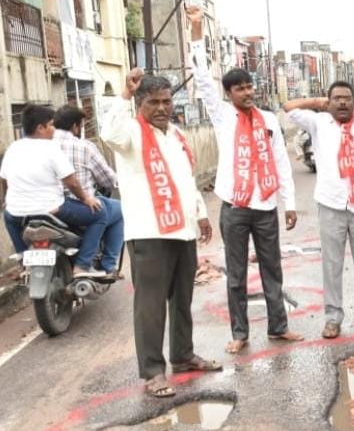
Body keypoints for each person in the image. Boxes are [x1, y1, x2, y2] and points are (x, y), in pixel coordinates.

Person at [186, 7, 302, 354]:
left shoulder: (268, 119)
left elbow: (281, 160)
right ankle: (240, 334)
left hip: (265, 207)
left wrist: (290, 203)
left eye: (250, 86)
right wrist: (195, 31)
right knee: (235, 275)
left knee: (272, 270)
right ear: (229, 93)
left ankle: (278, 327)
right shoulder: (222, 116)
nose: (247, 92)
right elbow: (203, 79)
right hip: (235, 208)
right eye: (240, 88)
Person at [101, 69, 221, 398]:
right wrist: (124, 94)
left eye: (166, 101)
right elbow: (108, 131)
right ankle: (153, 372)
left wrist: (200, 213)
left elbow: (186, 178)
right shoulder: (130, 134)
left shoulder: (177, 135)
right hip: (149, 233)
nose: (161, 108)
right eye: (153, 102)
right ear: (140, 105)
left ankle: (183, 356)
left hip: (183, 231)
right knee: (150, 306)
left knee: (183, 299)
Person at [283, 82, 354, 339]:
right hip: (330, 204)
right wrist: (317, 102)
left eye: (347, 98)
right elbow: (288, 108)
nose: (343, 103)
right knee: (332, 264)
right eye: (337, 98)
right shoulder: (318, 123)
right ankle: (333, 318)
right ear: (328, 102)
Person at [1, 104, 107, 278]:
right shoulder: (50, 148)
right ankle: (82, 265)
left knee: (8, 216)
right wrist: (86, 199)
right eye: (51, 125)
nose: (54, 130)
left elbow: (4, 180)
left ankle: (24, 262)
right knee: (100, 215)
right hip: (53, 210)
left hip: (17, 212)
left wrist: (6, 199)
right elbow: (71, 182)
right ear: (40, 128)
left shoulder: (13, 148)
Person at [53, 105, 125, 279]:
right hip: (75, 204)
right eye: (81, 126)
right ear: (75, 126)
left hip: (44, 205)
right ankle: (105, 266)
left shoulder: (42, 146)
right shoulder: (84, 147)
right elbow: (108, 179)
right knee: (118, 210)